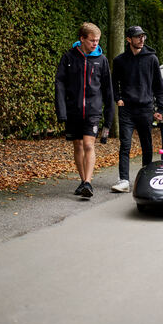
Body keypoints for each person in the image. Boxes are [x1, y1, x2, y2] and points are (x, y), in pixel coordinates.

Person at [55, 22, 114, 198]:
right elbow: (60, 84)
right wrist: (62, 111)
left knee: (89, 144)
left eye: (97, 40)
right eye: (92, 40)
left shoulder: (101, 60)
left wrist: (108, 118)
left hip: (93, 110)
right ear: (82, 39)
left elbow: (108, 89)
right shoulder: (69, 57)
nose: (95, 44)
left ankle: (88, 182)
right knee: (78, 145)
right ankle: (83, 182)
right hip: (73, 110)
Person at [111, 25, 163, 193]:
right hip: (126, 109)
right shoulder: (119, 60)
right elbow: (113, 84)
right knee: (125, 144)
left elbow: (158, 86)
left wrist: (160, 108)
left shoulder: (152, 59)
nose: (141, 39)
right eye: (137, 36)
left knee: (146, 144)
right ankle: (124, 180)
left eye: (143, 36)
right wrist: (117, 98)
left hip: (145, 108)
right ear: (128, 39)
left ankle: (147, 177)